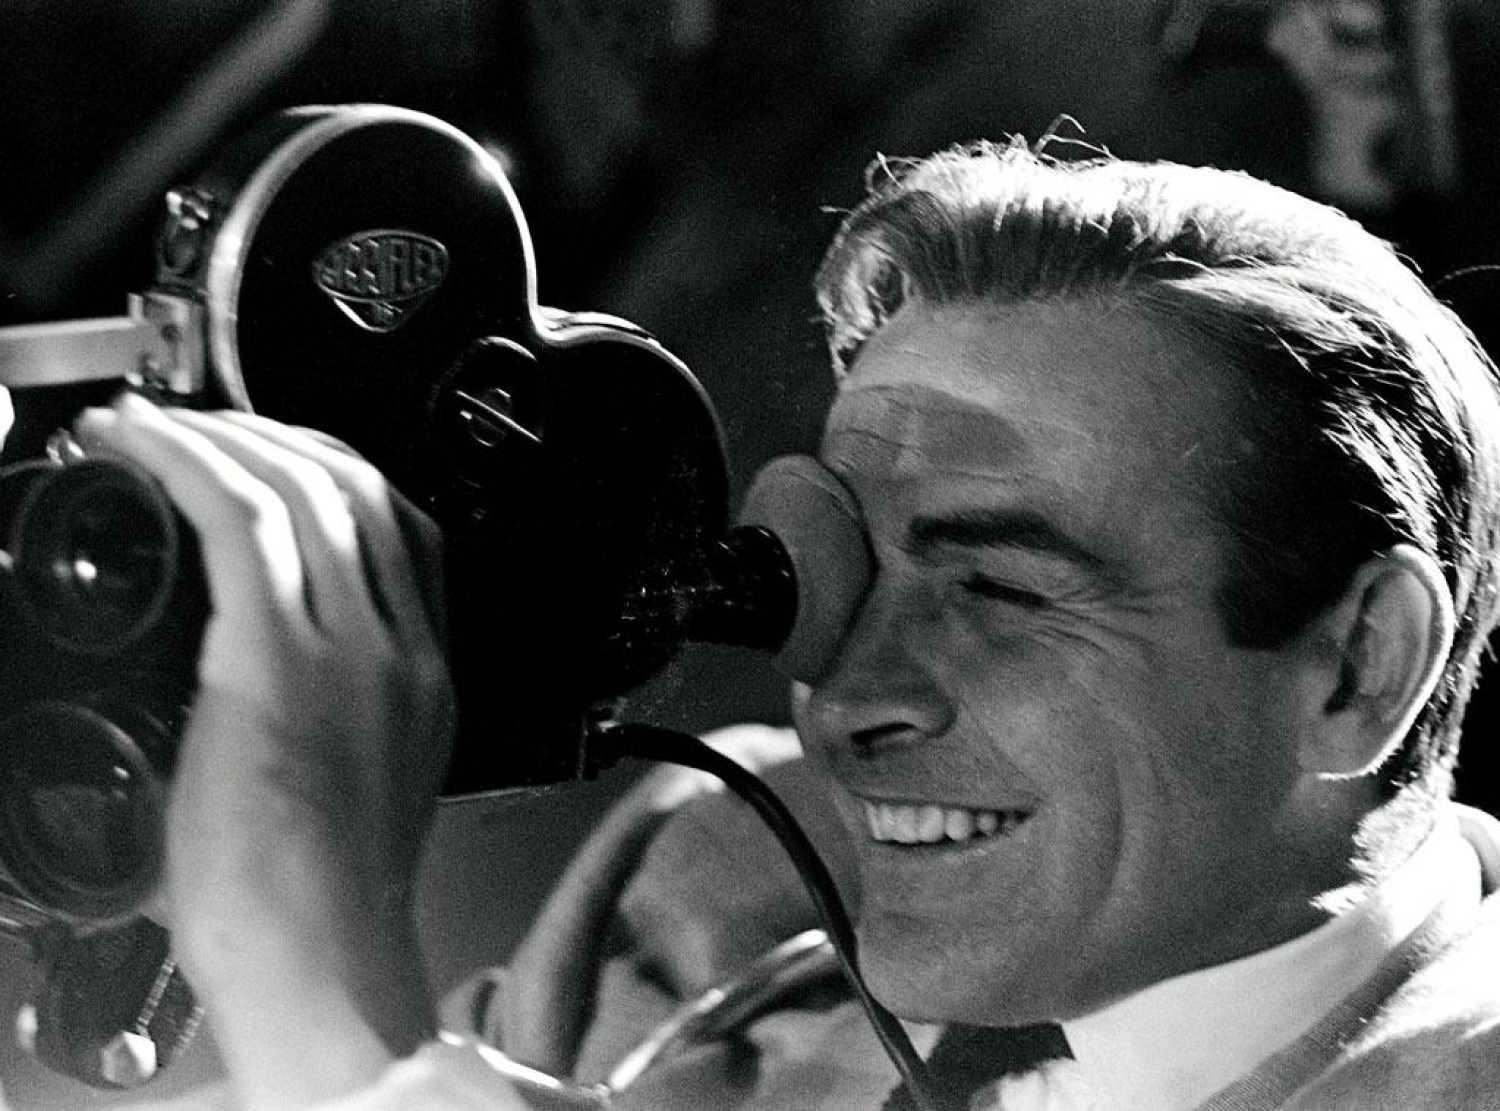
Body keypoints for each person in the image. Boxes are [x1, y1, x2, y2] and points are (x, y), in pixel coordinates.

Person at [81, 136, 1500, 1109]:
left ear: (1357, 664)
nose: (847, 691)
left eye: (1001, 588)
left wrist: (327, 1006)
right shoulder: (712, 885)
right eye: (841, 573)